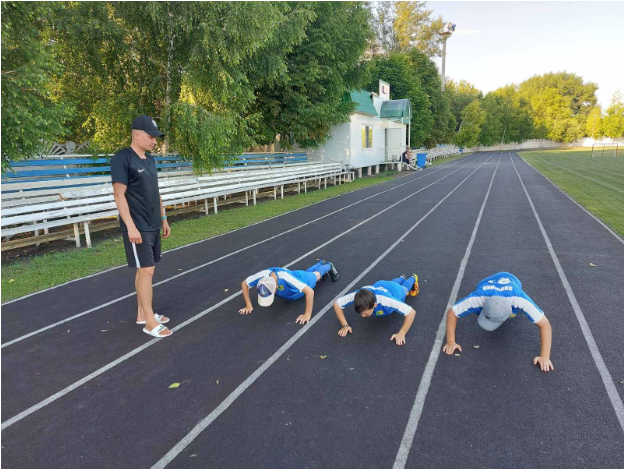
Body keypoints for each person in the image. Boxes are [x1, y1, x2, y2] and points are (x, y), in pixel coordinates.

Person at [111, 115, 172, 338]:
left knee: (144, 270)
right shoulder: (122, 159)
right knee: (147, 271)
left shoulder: (149, 160)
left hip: (153, 222)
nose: (154, 141)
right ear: (137, 134)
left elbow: (156, 192)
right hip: (137, 226)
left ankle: (142, 314)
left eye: (155, 138)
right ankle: (149, 321)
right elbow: (119, 195)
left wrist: (163, 219)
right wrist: (130, 226)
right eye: (150, 137)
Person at [443, 272, 553, 372]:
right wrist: (451, 341)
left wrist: (544, 356)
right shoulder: (478, 297)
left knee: (514, 314)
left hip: (512, 280)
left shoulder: (520, 299)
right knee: (475, 309)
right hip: (485, 282)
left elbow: (545, 325)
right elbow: (452, 312)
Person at [239, 260, 339, 324]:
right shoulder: (262, 277)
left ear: (276, 287)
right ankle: (320, 263)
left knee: (316, 276)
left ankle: (328, 265)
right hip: (295, 279)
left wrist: (307, 314)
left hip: (302, 279)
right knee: (309, 273)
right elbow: (244, 284)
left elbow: (310, 292)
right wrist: (248, 305)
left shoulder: (286, 277)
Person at [334, 274, 419, 346]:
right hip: (381, 284)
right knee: (392, 283)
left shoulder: (387, 300)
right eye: (361, 313)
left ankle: (413, 277)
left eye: (366, 313)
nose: (363, 316)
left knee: (404, 288)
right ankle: (401, 277)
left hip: (396, 291)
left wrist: (401, 333)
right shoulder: (356, 296)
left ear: (375, 305)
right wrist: (345, 325)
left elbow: (411, 312)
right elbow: (337, 304)